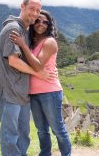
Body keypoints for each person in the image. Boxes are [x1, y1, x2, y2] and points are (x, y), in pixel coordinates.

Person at [0, 0, 54, 156]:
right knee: (10, 135)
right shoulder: (13, 29)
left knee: (23, 134)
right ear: (22, 7)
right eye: (32, 9)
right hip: (9, 91)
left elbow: (36, 56)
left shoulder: (25, 31)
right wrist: (38, 73)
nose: (35, 13)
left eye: (38, 10)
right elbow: (13, 61)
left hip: (22, 93)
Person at [10, 10, 71, 156]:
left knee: (57, 128)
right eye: (38, 21)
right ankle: (45, 154)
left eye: (45, 22)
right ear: (33, 23)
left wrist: (23, 45)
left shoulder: (49, 42)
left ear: (49, 25)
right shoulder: (32, 42)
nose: (41, 24)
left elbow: (37, 65)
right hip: (33, 93)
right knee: (41, 130)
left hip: (50, 91)